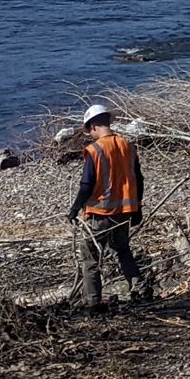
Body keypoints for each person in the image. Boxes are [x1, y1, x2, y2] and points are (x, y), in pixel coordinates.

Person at [66, 102, 149, 308]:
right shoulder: (127, 145)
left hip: (99, 213)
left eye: (89, 130)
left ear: (93, 126)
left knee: (90, 259)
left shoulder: (94, 150)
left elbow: (86, 185)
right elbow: (138, 178)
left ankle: (92, 302)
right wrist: (137, 207)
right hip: (125, 211)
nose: (90, 134)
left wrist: (74, 208)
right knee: (122, 250)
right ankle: (140, 288)